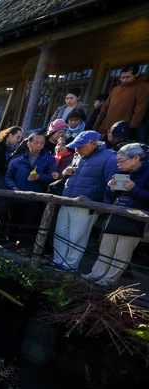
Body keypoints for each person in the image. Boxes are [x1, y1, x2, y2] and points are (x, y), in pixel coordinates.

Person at [48, 130, 118, 272]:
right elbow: (67, 173)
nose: (77, 149)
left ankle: (70, 266)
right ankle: (58, 261)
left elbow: (111, 184)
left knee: (77, 236)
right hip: (67, 199)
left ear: (93, 144)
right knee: (61, 232)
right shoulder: (78, 155)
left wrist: (104, 204)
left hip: (87, 204)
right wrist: (65, 172)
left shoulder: (110, 157)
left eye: (80, 146)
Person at [84, 143, 149, 287]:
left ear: (136, 158)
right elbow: (111, 197)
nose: (118, 164)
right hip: (117, 212)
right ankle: (97, 273)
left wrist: (135, 189)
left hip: (136, 217)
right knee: (106, 246)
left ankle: (109, 279)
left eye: (121, 160)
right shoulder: (125, 172)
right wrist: (111, 187)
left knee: (122, 251)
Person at [4, 132, 58, 254]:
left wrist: (40, 177)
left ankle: (24, 245)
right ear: (28, 144)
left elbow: (53, 176)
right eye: (36, 143)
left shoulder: (49, 159)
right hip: (17, 195)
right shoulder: (17, 159)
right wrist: (13, 187)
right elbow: (8, 177)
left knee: (29, 221)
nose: (39, 145)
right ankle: (11, 241)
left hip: (35, 196)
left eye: (42, 143)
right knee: (14, 219)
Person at [93, 65, 149, 135]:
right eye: (122, 78)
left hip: (123, 129)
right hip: (106, 126)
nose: (124, 80)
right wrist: (97, 124)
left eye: (128, 77)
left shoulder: (143, 87)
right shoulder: (116, 89)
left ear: (137, 74)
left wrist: (131, 128)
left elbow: (140, 110)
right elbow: (105, 108)